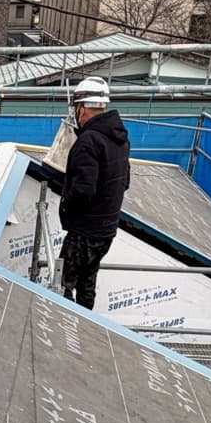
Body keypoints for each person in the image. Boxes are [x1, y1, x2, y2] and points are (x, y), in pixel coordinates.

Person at [53, 76, 129, 311]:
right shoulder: (119, 138)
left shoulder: (88, 141)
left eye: (76, 107)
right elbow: (124, 182)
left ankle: (62, 323)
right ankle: (83, 323)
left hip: (84, 231)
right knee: (87, 282)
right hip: (106, 231)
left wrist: (65, 204)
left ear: (83, 108)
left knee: (62, 284)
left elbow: (83, 190)